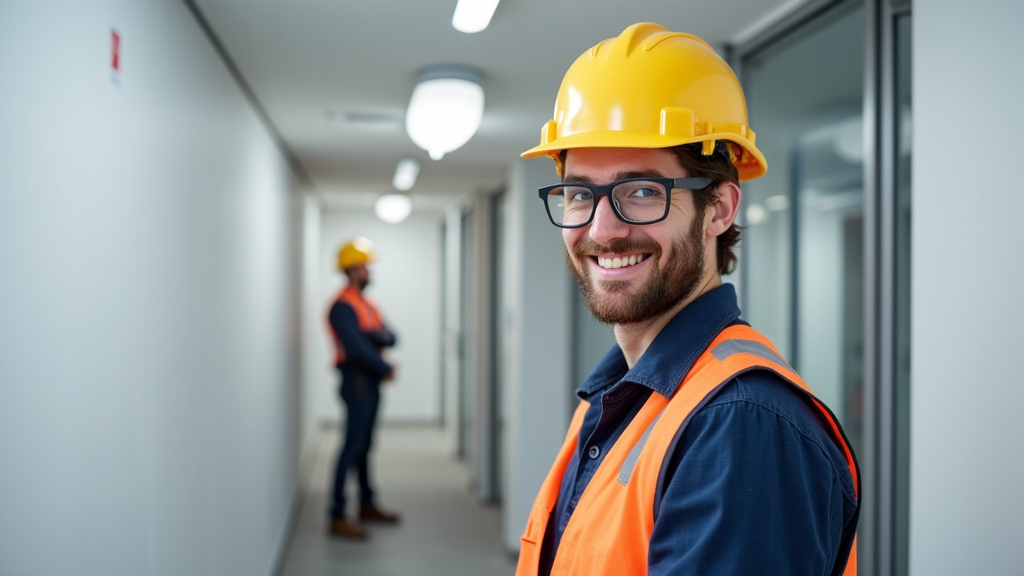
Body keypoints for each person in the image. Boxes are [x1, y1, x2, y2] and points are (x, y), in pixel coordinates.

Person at [515, 23, 860, 575]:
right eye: (580, 193)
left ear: (719, 209)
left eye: (643, 191)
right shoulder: (614, 398)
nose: (602, 229)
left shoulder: (741, 427)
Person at [325, 237, 400, 539]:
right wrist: (385, 366)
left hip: (368, 380)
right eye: (366, 266)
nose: (370, 271)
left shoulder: (366, 303)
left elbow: (392, 337)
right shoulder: (342, 307)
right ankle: (337, 513)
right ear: (353, 269)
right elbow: (356, 348)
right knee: (351, 446)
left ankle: (367, 503)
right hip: (356, 380)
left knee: (366, 445)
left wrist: (374, 337)